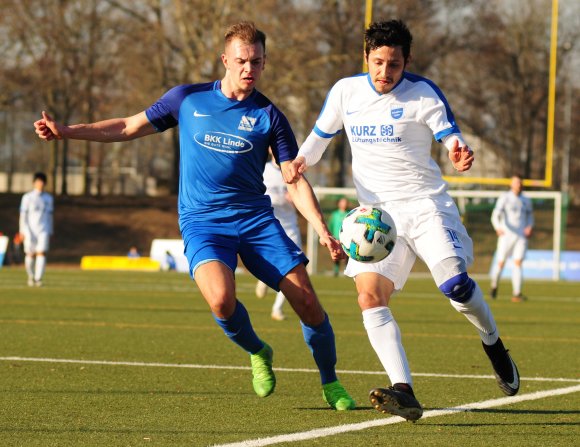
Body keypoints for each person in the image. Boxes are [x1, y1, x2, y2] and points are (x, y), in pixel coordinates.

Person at [33, 21, 354, 411]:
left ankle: (330, 381)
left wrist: (321, 228)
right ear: (224, 60)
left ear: (265, 62)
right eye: (241, 60)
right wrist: (66, 131)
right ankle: (258, 350)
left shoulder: (271, 116)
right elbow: (127, 126)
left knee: (307, 302)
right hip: (203, 222)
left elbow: (293, 179)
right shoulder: (187, 99)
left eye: (256, 61)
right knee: (221, 300)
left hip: (255, 222)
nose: (248, 68)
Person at [283, 19, 519, 421]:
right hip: (378, 220)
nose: (384, 73)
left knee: (456, 287)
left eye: (394, 64)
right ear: (366, 57)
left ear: (407, 60)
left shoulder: (423, 93)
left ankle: (493, 343)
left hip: (427, 207)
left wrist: (458, 152)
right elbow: (318, 141)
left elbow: (450, 138)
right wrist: (300, 160)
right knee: (369, 296)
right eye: (377, 63)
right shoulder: (345, 92)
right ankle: (403, 390)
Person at [254, 155, 303, 322]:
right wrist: (279, 199)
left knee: (293, 270)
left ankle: (277, 308)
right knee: (270, 265)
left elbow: (305, 198)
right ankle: (264, 279)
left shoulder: (294, 170)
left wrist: (295, 201)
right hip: (270, 226)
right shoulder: (263, 169)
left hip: (291, 228)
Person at [490, 175, 534, 302]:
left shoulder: (526, 200)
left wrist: (529, 226)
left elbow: (530, 216)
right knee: (501, 262)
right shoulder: (505, 198)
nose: (518, 185)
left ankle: (517, 293)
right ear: (511, 184)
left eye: (520, 182)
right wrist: (497, 227)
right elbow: (495, 215)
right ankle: (494, 285)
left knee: (518, 263)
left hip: (521, 236)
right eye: (516, 183)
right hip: (506, 235)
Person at [19, 172, 54, 287]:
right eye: (38, 181)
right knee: (30, 254)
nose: (40, 184)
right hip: (29, 229)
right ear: (34, 183)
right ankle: (31, 275)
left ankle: (38, 278)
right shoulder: (27, 197)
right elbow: (23, 215)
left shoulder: (48, 198)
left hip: (43, 229)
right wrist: (22, 230)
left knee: (41, 253)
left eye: (42, 181)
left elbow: (50, 216)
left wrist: (50, 230)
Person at [328, 197, 350, 276]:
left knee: (347, 255)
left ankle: (346, 270)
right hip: (336, 238)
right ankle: (336, 270)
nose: (344, 204)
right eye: (342, 202)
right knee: (336, 254)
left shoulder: (349, 213)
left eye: (345, 202)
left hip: (347, 238)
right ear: (339, 203)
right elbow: (331, 225)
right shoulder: (335, 214)